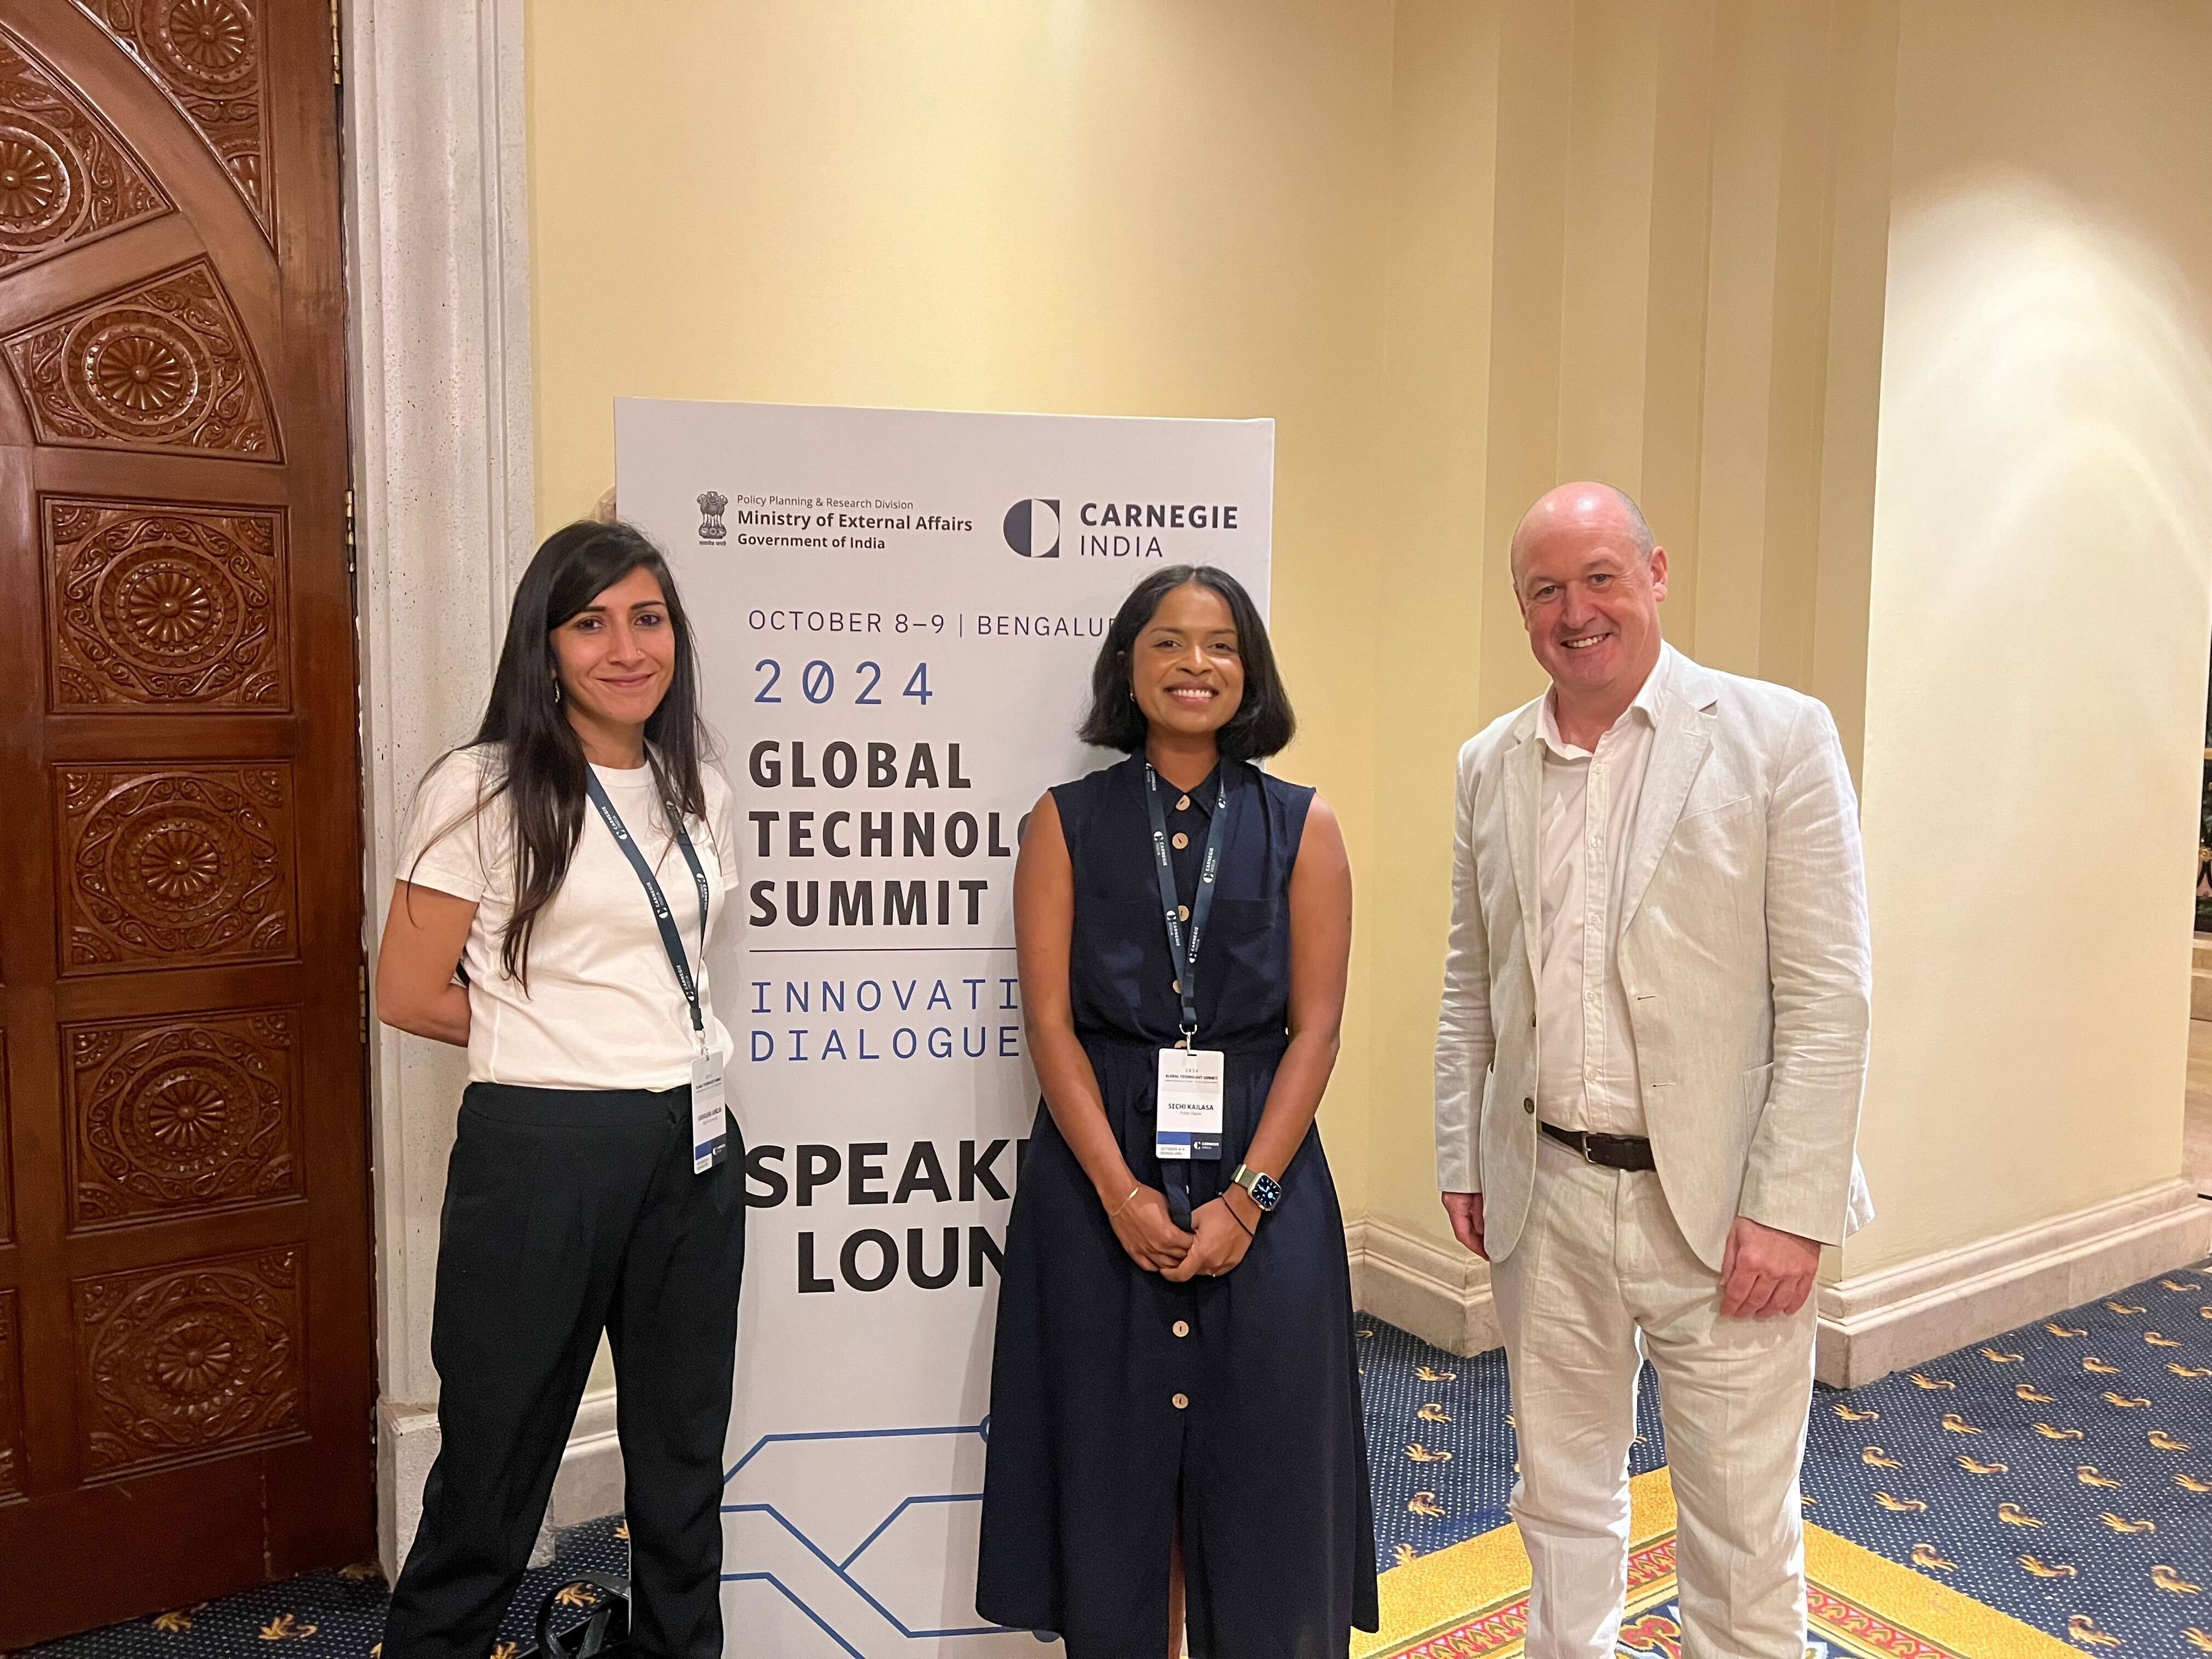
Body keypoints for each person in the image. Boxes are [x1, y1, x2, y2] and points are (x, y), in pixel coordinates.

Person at [1434, 483, 1873, 1656]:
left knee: (1736, 1523)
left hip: (1727, 1204)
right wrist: (1462, 1153)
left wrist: (1792, 1208)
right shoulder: (1489, 764)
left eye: (1599, 579)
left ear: (1656, 573)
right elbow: (1474, 983)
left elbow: (1834, 998)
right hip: (1548, 1194)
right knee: (1561, 1501)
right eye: (1543, 590)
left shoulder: (1778, 736)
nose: (1573, 612)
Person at [978, 566, 1377, 1658]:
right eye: (1167, 642)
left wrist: (1248, 1202)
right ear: (1127, 666)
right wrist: (1118, 1192)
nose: (1193, 664)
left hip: (1265, 1164)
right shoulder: (1064, 823)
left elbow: (1321, 1030)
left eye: (1219, 645)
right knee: (1112, 1482)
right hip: (1096, 1164)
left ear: (1249, 673)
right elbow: (1051, 1025)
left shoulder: (1306, 825)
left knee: (1263, 1476)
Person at [375, 521, 744, 1659]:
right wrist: (556, 1038)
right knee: (497, 1468)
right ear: (545, 647)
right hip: (542, 1154)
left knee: (683, 1466)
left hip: (693, 1149)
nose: (624, 648)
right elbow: (406, 987)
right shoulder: (482, 787)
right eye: (590, 623)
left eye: (647, 617)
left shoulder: (698, 786)